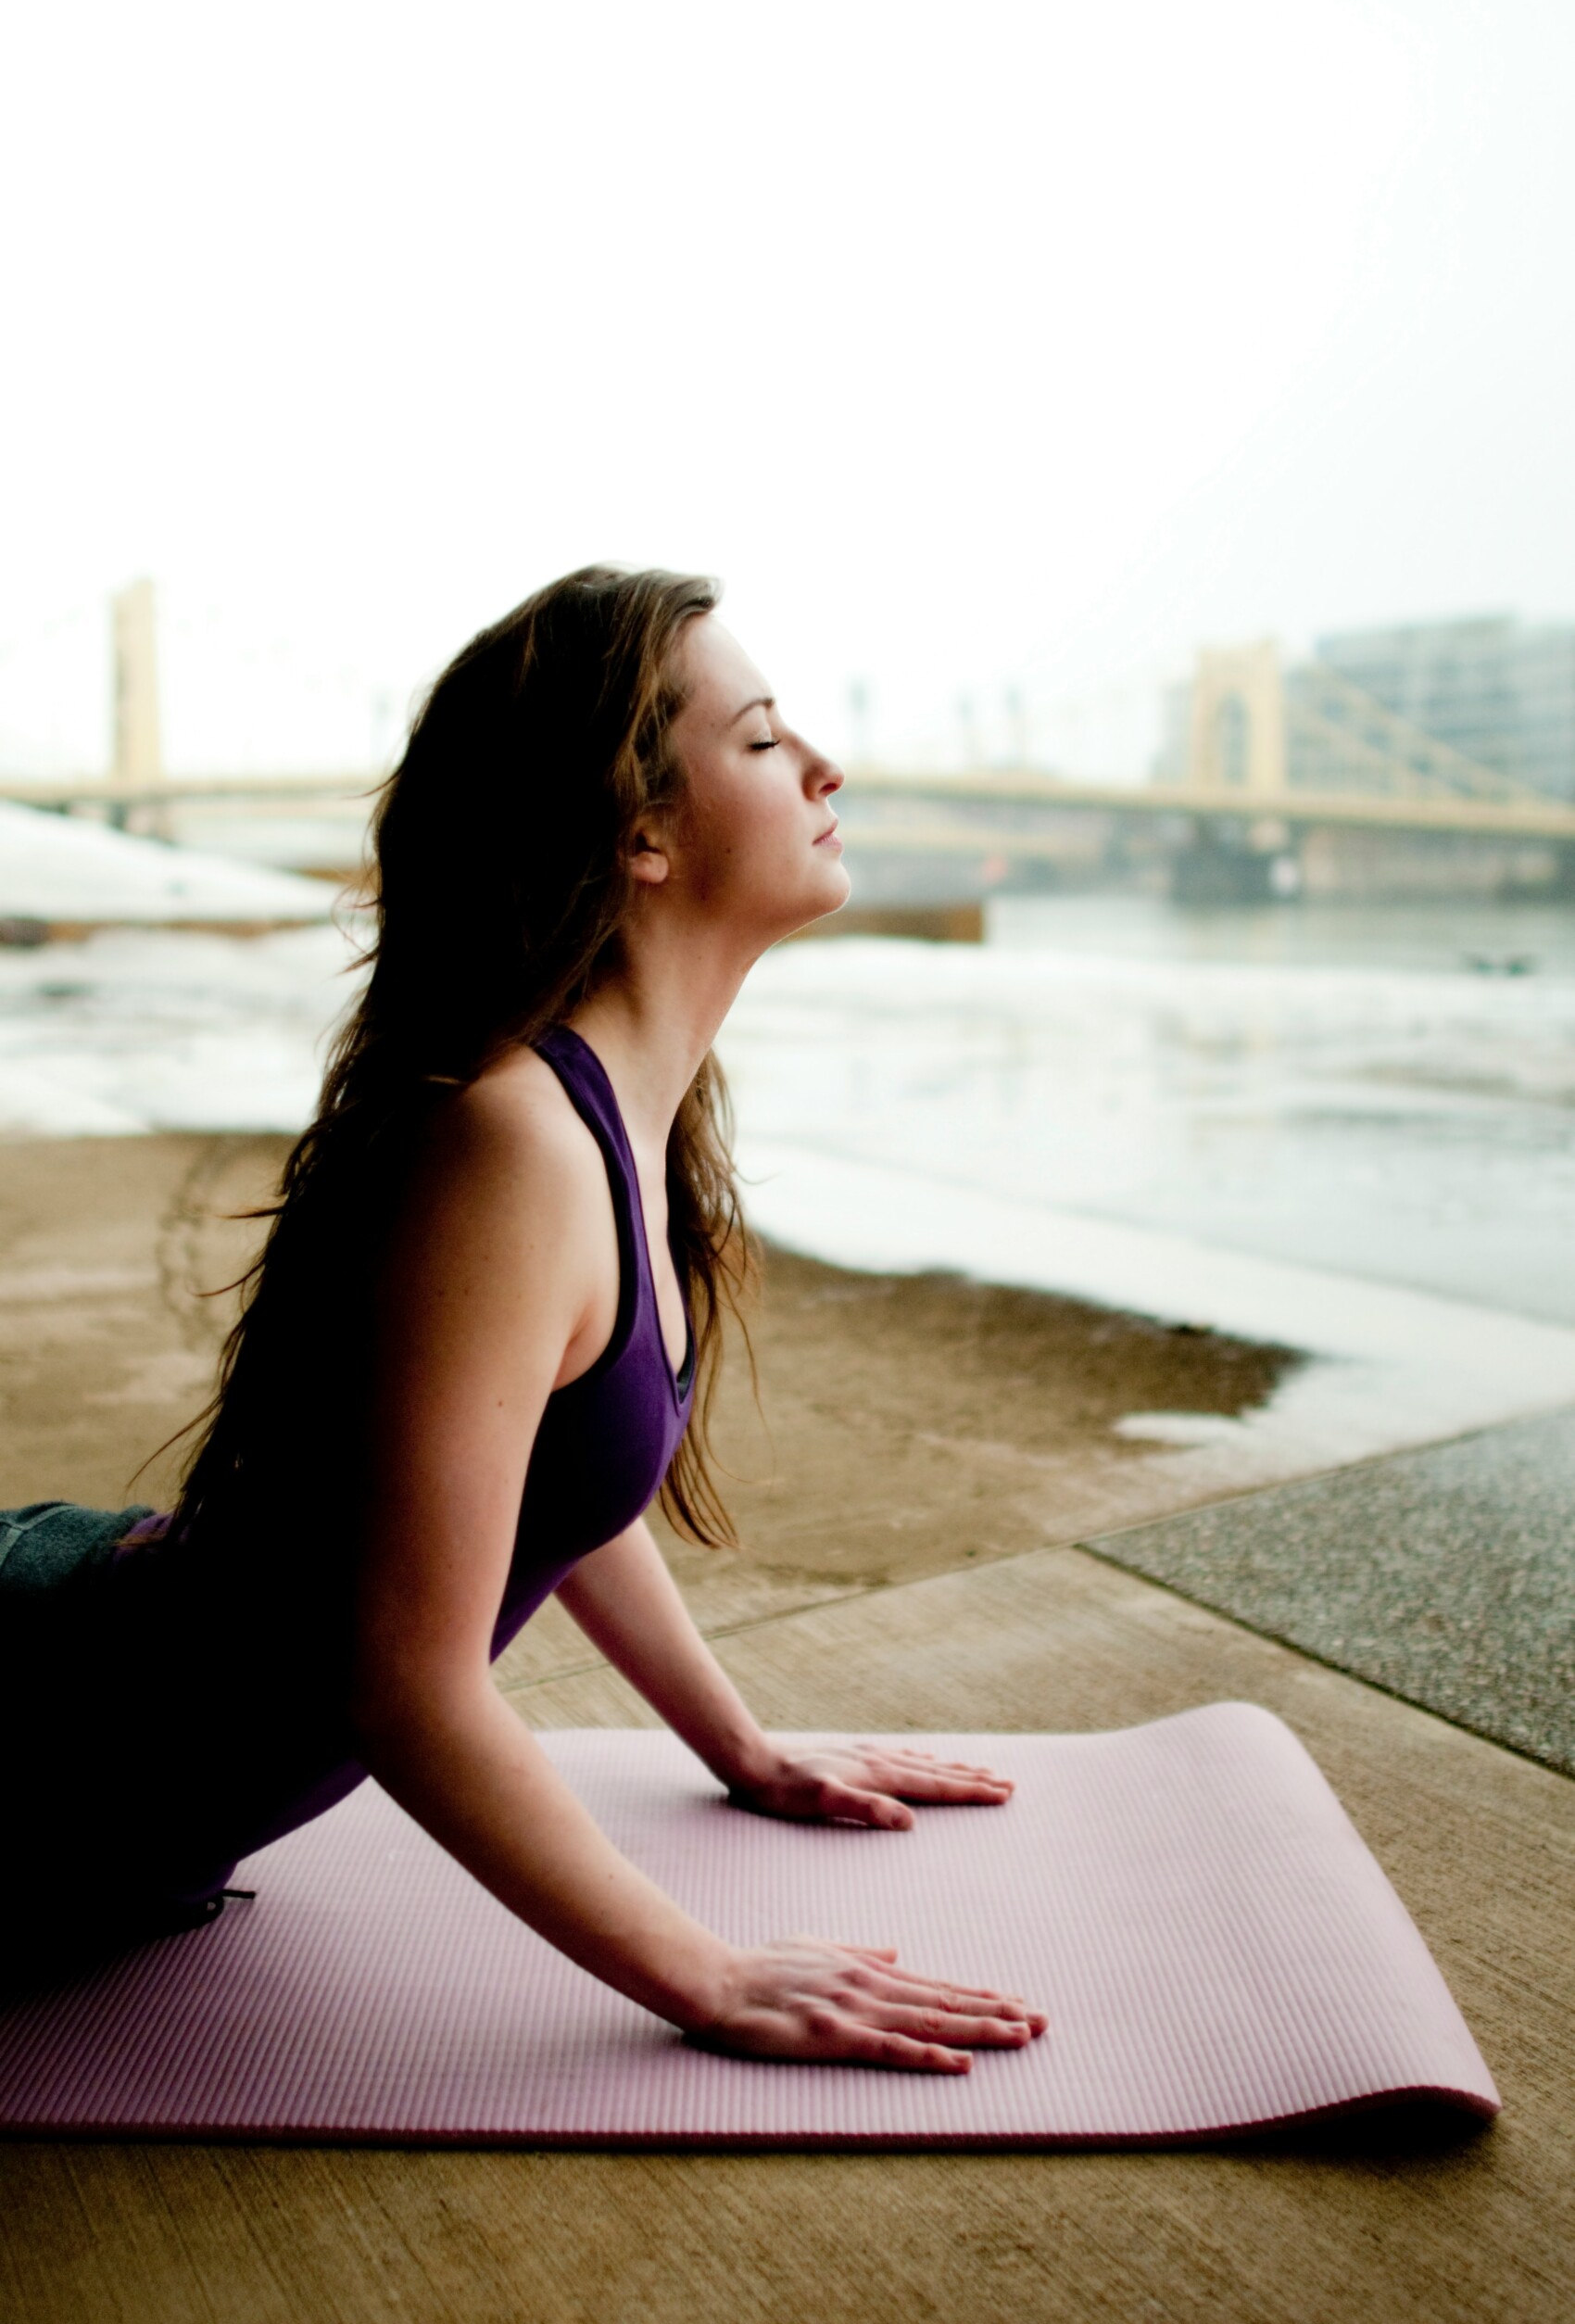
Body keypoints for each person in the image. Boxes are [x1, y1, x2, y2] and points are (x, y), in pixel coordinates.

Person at [0, 565, 1045, 2072]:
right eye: (760, 742)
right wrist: (710, 1978)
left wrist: (738, 1745)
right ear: (640, 833)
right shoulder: (516, 1144)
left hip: (99, 1743)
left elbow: (548, 1473)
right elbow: (406, 1682)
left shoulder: (610, 1118)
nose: (826, 766)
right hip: (35, 1748)